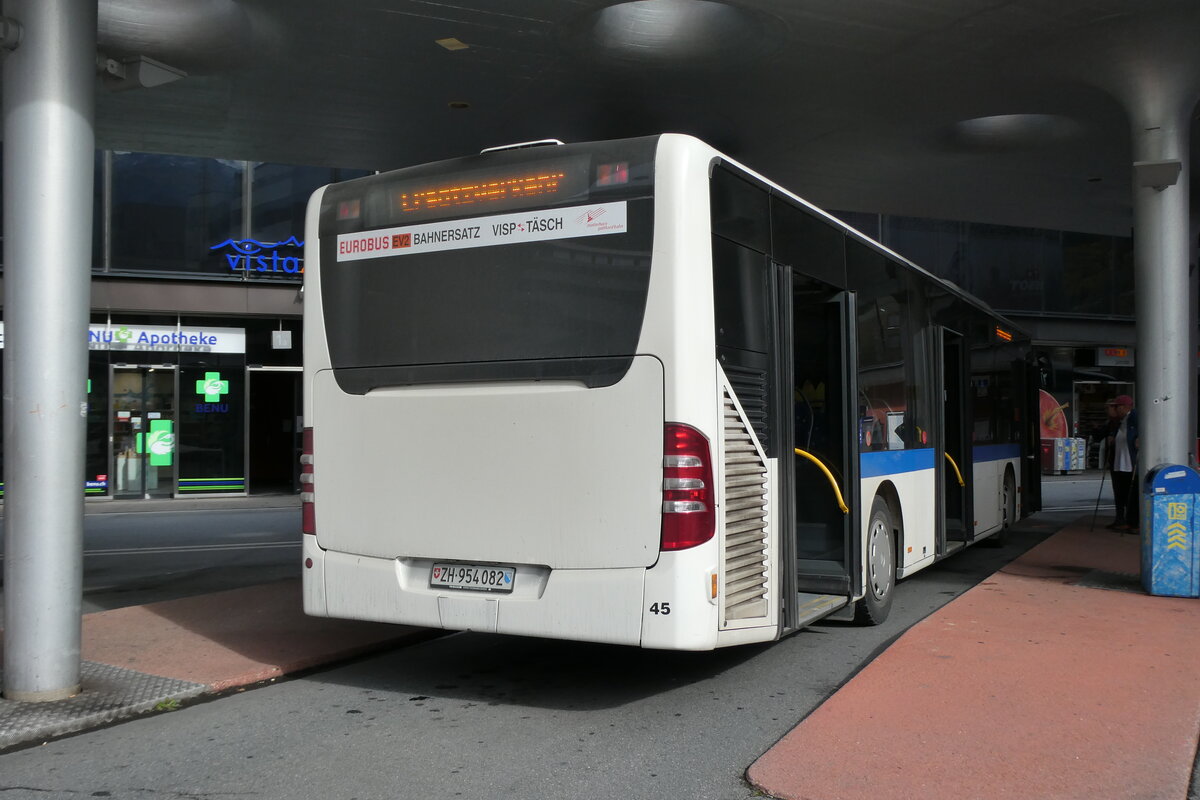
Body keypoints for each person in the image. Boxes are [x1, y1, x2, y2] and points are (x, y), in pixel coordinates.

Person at [1105, 395, 1139, 531]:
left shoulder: (1134, 416)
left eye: (1117, 406)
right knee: (1120, 493)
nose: (1115, 409)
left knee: (1131, 494)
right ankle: (1120, 520)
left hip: (1129, 463)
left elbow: (1144, 429)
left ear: (1125, 407)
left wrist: (1140, 438)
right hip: (1118, 463)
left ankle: (1132, 522)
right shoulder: (1119, 421)